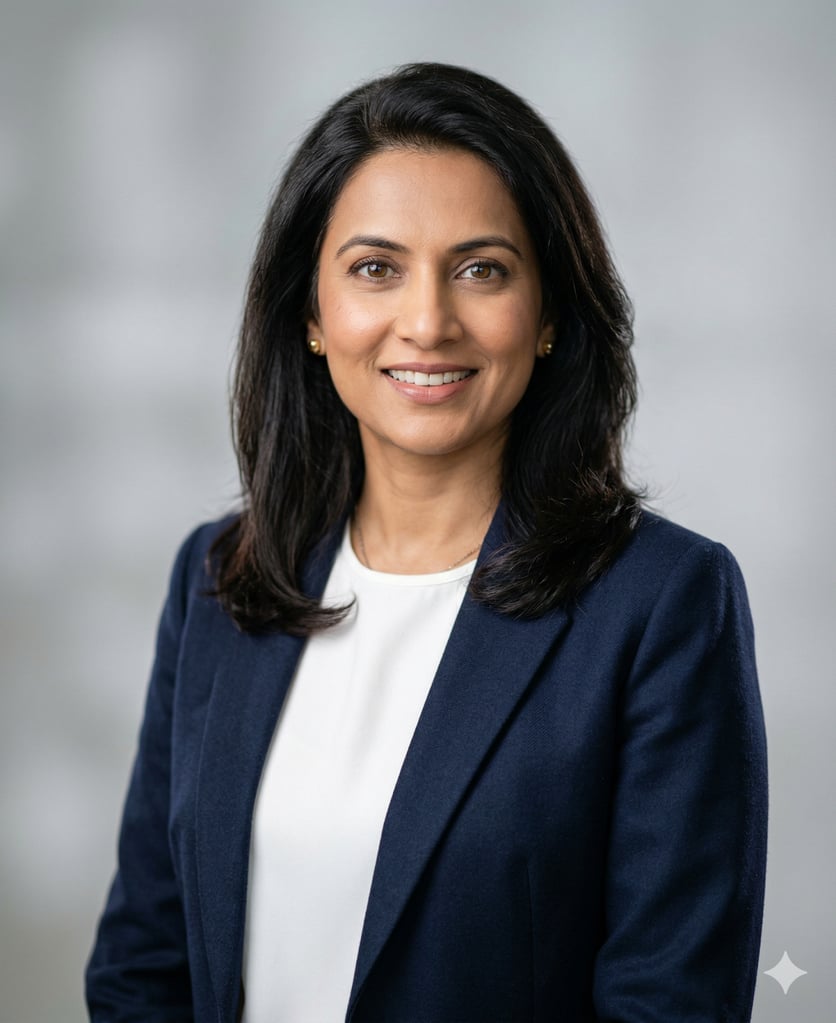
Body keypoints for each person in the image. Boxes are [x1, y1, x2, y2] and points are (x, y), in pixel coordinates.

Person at [85, 63, 767, 1022]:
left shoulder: (662, 601)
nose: (428, 321)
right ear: (313, 318)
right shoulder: (218, 578)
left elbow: (672, 999)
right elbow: (142, 966)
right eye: (375, 269)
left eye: (482, 269)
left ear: (549, 317)